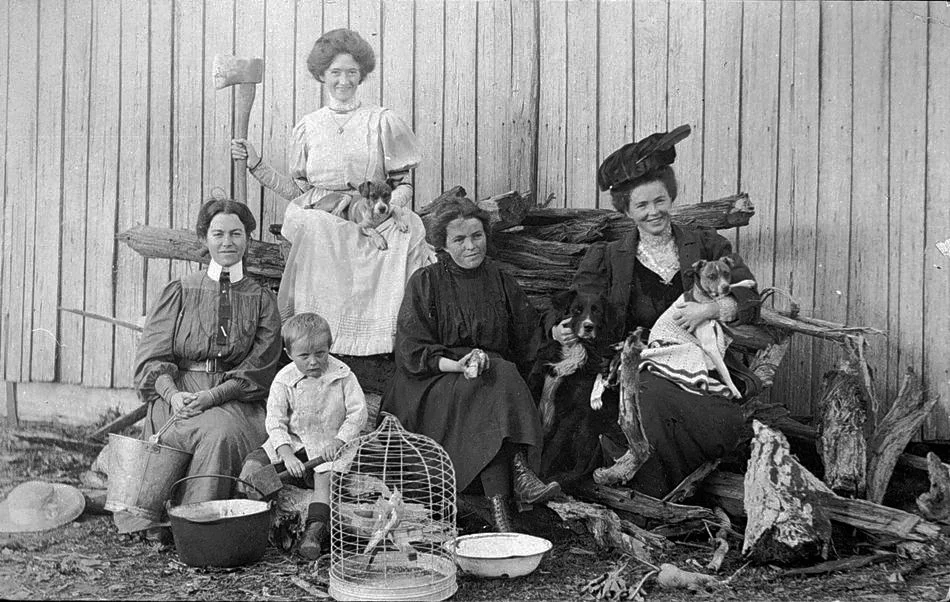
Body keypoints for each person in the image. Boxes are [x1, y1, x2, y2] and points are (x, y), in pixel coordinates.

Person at [552, 125, 761, 498]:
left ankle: (659, 494)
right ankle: (656, 499)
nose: (654, 213)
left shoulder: (705, 244)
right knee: (642, 396)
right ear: (627, 210)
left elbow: (750, 296)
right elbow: (580, 303)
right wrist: (564, 328)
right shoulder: (609, 256)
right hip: (636, 363)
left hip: (700, 365)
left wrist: (710, 308)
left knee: (685, 409)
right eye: (642, 205)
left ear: (671, 197)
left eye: (660, 201)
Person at [231, 28, 430, 355]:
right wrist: (257, 165)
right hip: (321, 213)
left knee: (405, 233)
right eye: (335, 72)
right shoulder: (309, 127)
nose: (344, 81)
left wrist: (388, 209)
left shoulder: (381, 121)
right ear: (321, 75)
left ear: (362, 75)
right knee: (317, 228)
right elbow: (299, 192)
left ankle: (384, 339)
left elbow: (402, 183)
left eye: (352, 72)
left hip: (372, 210)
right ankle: (319, 342)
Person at [380, 197, 561, 533]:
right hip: (432, 379)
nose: (471, 246)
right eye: (459, 240)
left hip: (485, 375)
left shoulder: (501, 281)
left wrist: (556, 327)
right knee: (497, 379)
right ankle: (518, 476)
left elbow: (529, 333)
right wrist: (456, 364)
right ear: (443, 245)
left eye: (477, 236)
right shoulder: (426, 281)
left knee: (498, 376)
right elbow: (411, 349)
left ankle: (501, 510)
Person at [117, 199, 282, 534]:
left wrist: (214, 396)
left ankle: (197, 526)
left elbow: (261, 364)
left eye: (236, 234)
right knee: (189, 429)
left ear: (248, 239)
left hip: (234, 397)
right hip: (179, 392)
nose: (227, 242)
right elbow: (152, 356)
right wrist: (173, 395)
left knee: (221, 433)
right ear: (205, 238)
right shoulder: (180, 290)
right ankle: (167, 517)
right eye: (218, 233)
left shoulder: (262, 298)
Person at [240, 312, 367, 560]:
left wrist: (339, 441)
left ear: (329, 347)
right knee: (252, 469)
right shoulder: (284, 380)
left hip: (327, 446)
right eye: (304, 356)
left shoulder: (343, 376)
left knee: (324, 478)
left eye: (320, 354)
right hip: (293, 443)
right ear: (289, 354)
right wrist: (286, 454)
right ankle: (255, 524)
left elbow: (357, 414)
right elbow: (275, 421)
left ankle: (313, 532)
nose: (313, 362)